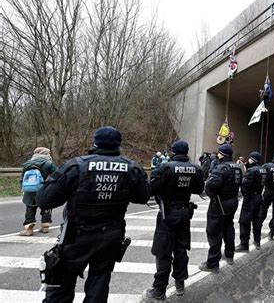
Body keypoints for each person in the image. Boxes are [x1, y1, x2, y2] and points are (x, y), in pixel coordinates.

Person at [36, 126, 150, 302]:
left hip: (77, 236)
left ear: (94, 143)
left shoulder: (76, 165)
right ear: (118, 145)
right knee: (99, 282)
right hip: (111, 237)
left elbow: (44, 200)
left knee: (61, 284)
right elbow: (143, 197)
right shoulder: (131, 168)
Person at [143, 140, 204, 301]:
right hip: (185, 212)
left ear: (173, 151)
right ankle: (180, 284)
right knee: (181, 249)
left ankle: (159, 290)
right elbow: (199, 189)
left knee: (163, 252)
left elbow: (151, 189)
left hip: (167, 213)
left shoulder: (165, 167)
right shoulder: (196, 169)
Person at [199, 144, 242, 272]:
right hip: (233, 201)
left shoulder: (220, 168)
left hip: (219, 203)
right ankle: (229, 255)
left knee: (214, 232)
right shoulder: (237, 167)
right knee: (228, 227)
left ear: (222, 154)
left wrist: (209, 192)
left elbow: (211, 186)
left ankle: (212, 263)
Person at [19, 147, 57, 236]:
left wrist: (22, 187)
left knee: (30, 207)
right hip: (44, 189)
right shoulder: (49, 163)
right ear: (46, 154)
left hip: (29, 190)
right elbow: (56, 175)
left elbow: (22, 177)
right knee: (46, 206)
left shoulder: (28, 163)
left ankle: (28, 228)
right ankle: (45, 225)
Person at [236, 151, 265, 252]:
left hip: (250, 198)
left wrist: (245, 194)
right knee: (256, 220)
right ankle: (257, 241)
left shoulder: (251, 171)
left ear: (252, 159)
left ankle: (244, 245)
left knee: (244, 221)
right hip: (259, 197)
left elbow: (245, 186)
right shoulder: (263, 169)